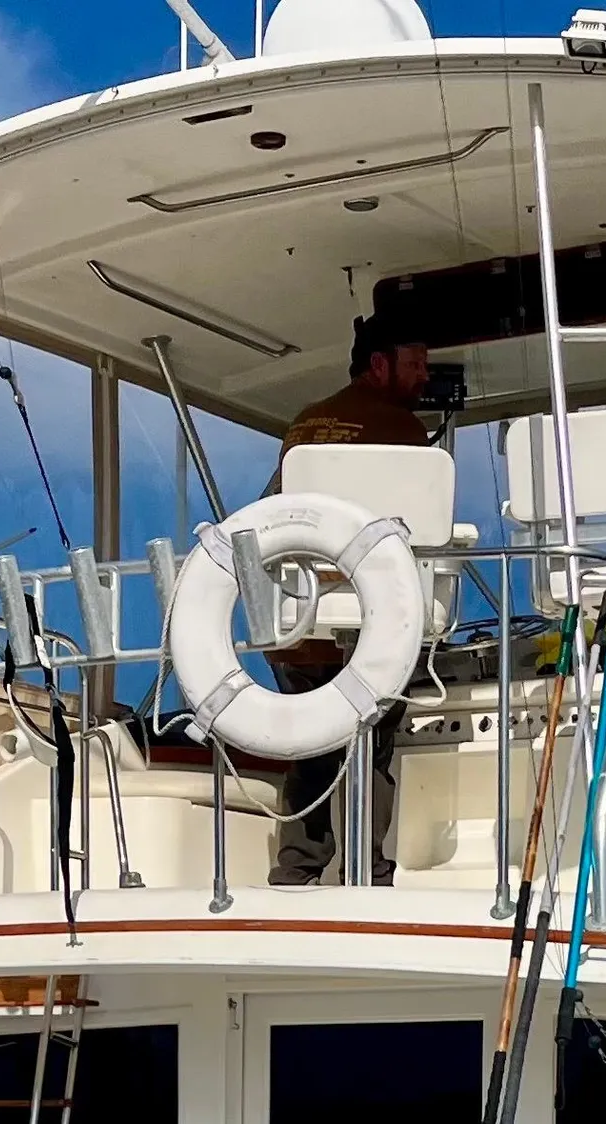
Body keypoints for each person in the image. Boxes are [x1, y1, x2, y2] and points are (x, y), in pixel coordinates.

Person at [263, 318, 436, 885]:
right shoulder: (402, 430)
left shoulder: (303, 424)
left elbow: (270, 510)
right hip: (364, 625)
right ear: (380, 365)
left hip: (299, 624)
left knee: (311, 750)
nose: (424, 375)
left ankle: (295, 871)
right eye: (415, 363)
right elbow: (415, 531)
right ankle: (368, 872)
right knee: (372, 748)